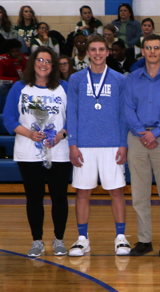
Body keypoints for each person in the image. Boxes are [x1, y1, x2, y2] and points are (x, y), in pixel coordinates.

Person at [64, 35, 130, 257]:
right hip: (84, 144)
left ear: (108, 52)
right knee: (83, 193)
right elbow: (71, 113)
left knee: (116, 192)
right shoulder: (76, 79)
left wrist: (123, 143)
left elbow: (123, 115)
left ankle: (121, 237)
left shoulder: (120, 79)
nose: (98, 53)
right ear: (87, 52)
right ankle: (82, 239)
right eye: (93, 49)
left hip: (112, 144)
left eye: (102, 49)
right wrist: (72, 143)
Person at [3, 47, 71, 257]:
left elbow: (74, 118)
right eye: (40, 60)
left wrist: (61, 134)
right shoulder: (19, 88)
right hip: (28, 152)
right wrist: (30, 134)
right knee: (34, 197)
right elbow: (9, 119)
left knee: (59, 196)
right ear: (33, 63)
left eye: (48, 61)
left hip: (59, 152)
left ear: (54, 66)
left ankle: (59, 240)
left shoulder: (64, 87)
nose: (44, 64)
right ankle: (37, 240)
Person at [122, 34, 160, 257]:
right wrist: (142, 133)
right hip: (137, 139)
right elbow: (127, 110)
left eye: (157, 48)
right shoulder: (131, 78)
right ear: (143, 52)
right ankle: (144, 240)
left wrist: (154, 133)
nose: (153, 51)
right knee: (139, 193)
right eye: (149, 48)